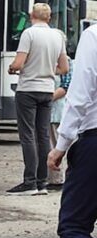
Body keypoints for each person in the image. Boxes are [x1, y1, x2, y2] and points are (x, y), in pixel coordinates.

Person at [47, 23, 97, 238]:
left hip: (94, 139)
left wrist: (61, 144)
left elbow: (80, 95)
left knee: (73, 226)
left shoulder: (95, 35)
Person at [7, 3, 68, 195]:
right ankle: (42, 182)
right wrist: (48, 70)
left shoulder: (29, 34)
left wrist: (12, 68)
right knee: (43, 136)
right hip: (47, 89)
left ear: (31, 15)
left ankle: (29, 181)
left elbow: (18, 63)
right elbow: (64, 68)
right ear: (49, 18)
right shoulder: (57, 35)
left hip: (28, 89)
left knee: (27, 135)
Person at [49, 36, 72, 191]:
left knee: (55, 143)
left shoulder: (66, 62)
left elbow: (66, 86)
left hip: (56, 109)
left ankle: (57, 179)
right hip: (48, 109)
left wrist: (47, 98)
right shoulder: (49, 59)